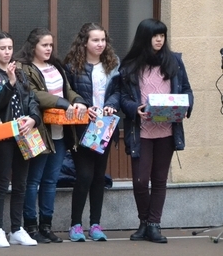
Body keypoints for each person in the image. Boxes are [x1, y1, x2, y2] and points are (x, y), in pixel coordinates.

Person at [119, 19, 192, 244]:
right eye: (155, 36)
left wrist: (184, 107)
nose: (159, 40)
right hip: (141, 131)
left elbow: (186, 90)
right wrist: (135, 108)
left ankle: (153, 225)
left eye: (162, 35)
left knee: (159, 179)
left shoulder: (175, 61)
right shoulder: (130, 65)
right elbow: (123, 97)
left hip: (167, 130)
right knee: (141, 181)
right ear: (144, 38)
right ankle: (144, 221)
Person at [17, 28, 87, 244]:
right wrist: (62, 103)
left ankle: (46, 226)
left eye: (50, 45)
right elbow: (33, 94)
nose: (49, 49)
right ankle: (30, 226)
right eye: (44, 45)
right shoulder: (24, 68)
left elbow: (67, 89)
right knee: (33, 181)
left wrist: (78, 101)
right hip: (39, 131)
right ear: (33, 46)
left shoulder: (56, 66)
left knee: (51, 181)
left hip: (60, 132)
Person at [64, 23, 120, 242]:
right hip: (81, 127)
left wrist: (111, 105)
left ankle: (95, 224)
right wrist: (85, 107)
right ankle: (75, 225)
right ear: (84, 42)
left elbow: (119, 91)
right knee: (84, 175)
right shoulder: (72, 65)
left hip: (105, 126)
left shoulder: (113, 63)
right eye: (95, 40)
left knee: (98, 176)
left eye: (103, 40)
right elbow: (68, 93)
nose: (100, 44)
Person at [0, 31, 40, 248]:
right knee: (2, 182)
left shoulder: (20, 72)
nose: (7, 52)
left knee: (21, 183)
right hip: (4, 135)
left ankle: (17, 229)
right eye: (2, 48)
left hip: (24, 133)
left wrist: (34, 119)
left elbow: (32, 99)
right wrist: (9, 82)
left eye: (10, 48)